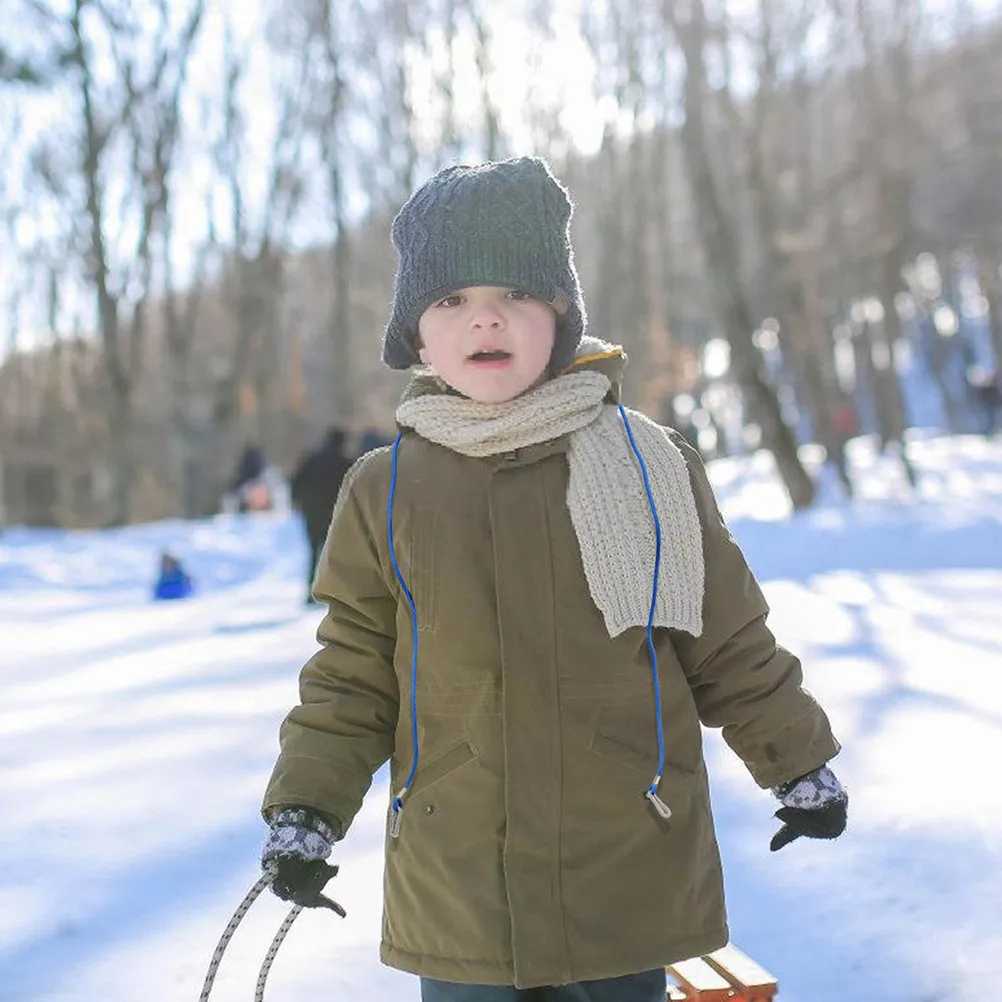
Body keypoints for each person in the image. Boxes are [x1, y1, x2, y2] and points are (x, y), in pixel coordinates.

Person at [259, 158, 847, 1002]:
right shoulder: (382, 492)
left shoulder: (650, 466)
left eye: (516, 294)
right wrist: (306, 810)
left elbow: (726, 638)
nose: (486, 316)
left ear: (562, 317)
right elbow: (352, 673)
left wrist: (798, 761)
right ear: (416, 338)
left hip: (626, 854)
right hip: (460, 871)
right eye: (451, 299)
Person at [289, 425, 354, 603]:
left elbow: (296, 480)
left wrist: (296, 501)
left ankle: (311, 592)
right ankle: (333, 593)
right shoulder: (345, 461)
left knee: (313, 552)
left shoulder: (312, 458)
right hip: (333, 514)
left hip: (311, 513)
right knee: (333, 555)